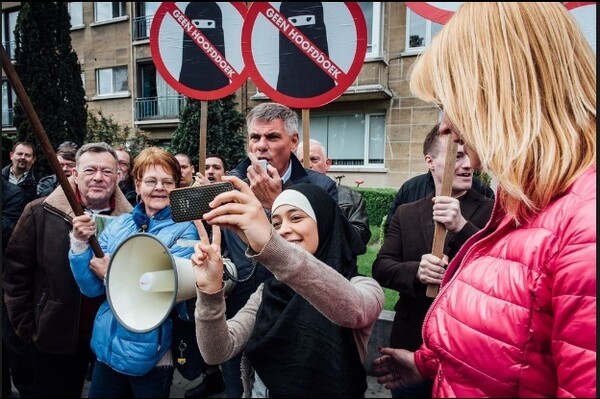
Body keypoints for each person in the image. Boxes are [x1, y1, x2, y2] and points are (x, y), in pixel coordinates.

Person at [372, 3, 596, 398]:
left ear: (504, 91)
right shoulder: (528, 207)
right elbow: (517, 348)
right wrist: (433, 363)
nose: (445, 126)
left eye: (449, 101)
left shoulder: (584, 223)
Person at [193, 177, 384, 397]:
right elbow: (217, 351)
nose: (283, 230)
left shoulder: (363, 288)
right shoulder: (268, 291)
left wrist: (270, 245)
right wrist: (209, 292)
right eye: (275, 224)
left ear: (324, 222)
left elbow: (352, 309)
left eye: (296, 218)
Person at [220, 102, 338, 397]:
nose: (261, 146)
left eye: (272, 137)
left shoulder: (321, 187)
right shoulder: (229, 185)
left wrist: (277, 204)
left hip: (295, 312)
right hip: (242, 309)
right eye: (254, 138)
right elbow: (220, 244)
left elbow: (327, 255)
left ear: (293, 141)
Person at [371, 124, 494, 398]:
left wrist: (462, 227)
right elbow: (381, 267)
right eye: (457, 156)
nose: (467, 165)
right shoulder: (407, 212)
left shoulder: (493, 211)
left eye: (469, 156)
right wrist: (417, 272)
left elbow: (498, 266)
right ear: (430, 161)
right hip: (411, 341)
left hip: (466, 347)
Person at [3, 142, 132, 398]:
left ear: (118, 176)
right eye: (90, 170)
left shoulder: (132, 220)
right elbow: (15, 272)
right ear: (74, 173)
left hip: (112, 339)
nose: (98, 177)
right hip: (54, 337)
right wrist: (28, 327)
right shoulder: (40, 212)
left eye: (107, 171)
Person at [68, 146, 199, 397]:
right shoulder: (120, 225)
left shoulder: (186, 230)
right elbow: (90, 287)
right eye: (150, 180)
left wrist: (112, 273)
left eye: (167, 181)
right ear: (137, 185)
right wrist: (79, 244)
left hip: (152, 353)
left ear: (176, 187)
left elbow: (167, 287)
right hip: (106, 346)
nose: (159, 187)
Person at [182, 152, 229, 399]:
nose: (210, 171)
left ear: (225, 173)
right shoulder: (193, 199)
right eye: (207, 166)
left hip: (229, 278)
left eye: (216, 167)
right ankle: (211, 377)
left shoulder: (233, 202)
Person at [297, 139, 371, 255]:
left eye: (314, 159)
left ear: (327, 163)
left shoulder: (351, 198)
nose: (309, 165)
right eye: (302, 162)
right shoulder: (289, 196)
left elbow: (360, 241)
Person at [2, 179, 33, 398]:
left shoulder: (12, 193)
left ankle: (27, 389)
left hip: (5, 279)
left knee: (10, 341)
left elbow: (7, 234)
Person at [2, 141, 38, 205]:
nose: (23, 157)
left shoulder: (38, 182)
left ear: (33, 159)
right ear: (11, 156)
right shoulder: (2, 177)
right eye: (19, 154)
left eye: (27, 155)